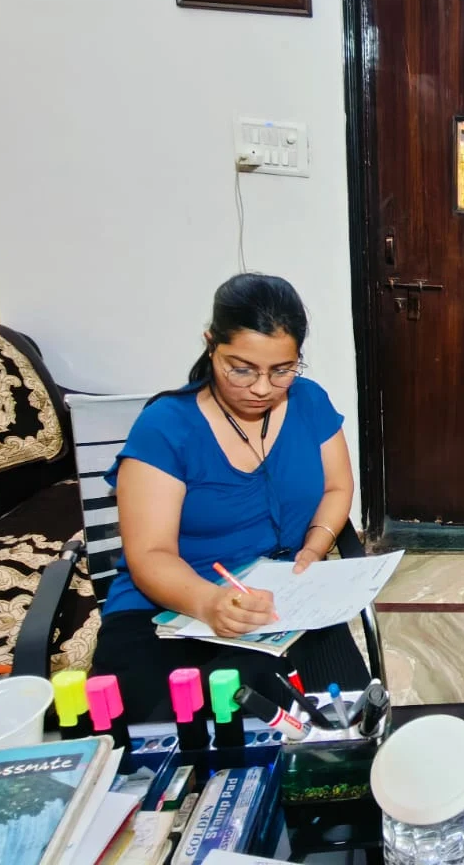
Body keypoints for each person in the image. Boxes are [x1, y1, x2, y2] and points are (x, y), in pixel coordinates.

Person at [90, 273, 370, 722]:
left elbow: (338, 487)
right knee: (173, 740)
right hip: (167, 612)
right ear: (210, 345)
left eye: (281, 370)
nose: (262, 387)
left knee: (338, 732)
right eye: (241, 368)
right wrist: (207, 603)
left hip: (283, 601)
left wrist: (315, 548)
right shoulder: (166, 427)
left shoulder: (309, 402)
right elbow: (150, 554)